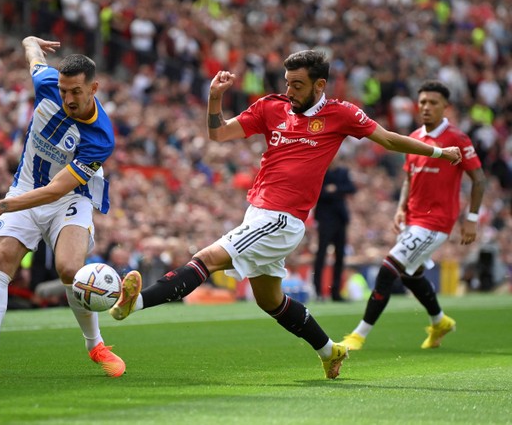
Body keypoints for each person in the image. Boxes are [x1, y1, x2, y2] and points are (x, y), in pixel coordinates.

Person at [108, 51, 462, 379]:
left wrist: (439, 152)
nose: (289, 90)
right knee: (270, 300)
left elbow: (388, 140)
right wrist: (215, 97)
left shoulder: (341, 113)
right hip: (258, 215)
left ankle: (134, 303)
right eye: (287, 82)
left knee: (208, 258)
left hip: (281, 219)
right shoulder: (271, 107)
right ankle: (330, 350)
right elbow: (217, 134)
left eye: (298, 84)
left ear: (319, 85)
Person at [0, 36, 125, 380]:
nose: (67, 98)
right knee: (0, 258)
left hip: (69, 198)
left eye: (76, 92)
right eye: (63, 91)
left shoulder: (100, 138)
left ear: (94, 88)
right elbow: (32, 56)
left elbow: (56, 190)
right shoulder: (46, 82)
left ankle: (96, 345)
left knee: (68, 269)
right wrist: (30, 41)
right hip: (26, 188)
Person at [340, 80, 485, 351]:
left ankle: (358, 335)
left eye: (433, 103)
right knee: (410, 274)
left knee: (387, 270)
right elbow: (409, 177)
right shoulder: (415, 137)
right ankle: (440, 321)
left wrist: (472, 218)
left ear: (446, 107)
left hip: (436, 221)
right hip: (413, 219)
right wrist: (400, 208)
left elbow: (479, 179)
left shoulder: (458, 139)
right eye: (422, 103)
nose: (426, 107)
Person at [312, 155, 357, 301]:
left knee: (340, 255)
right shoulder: (321, 171)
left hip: (339, 218)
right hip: (326, 219)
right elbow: (317, 191)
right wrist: (335, 192)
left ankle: (336, 292)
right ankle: (318, 291)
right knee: (321, 254)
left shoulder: (342, 172)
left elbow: (351, 188)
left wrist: (334, 189)